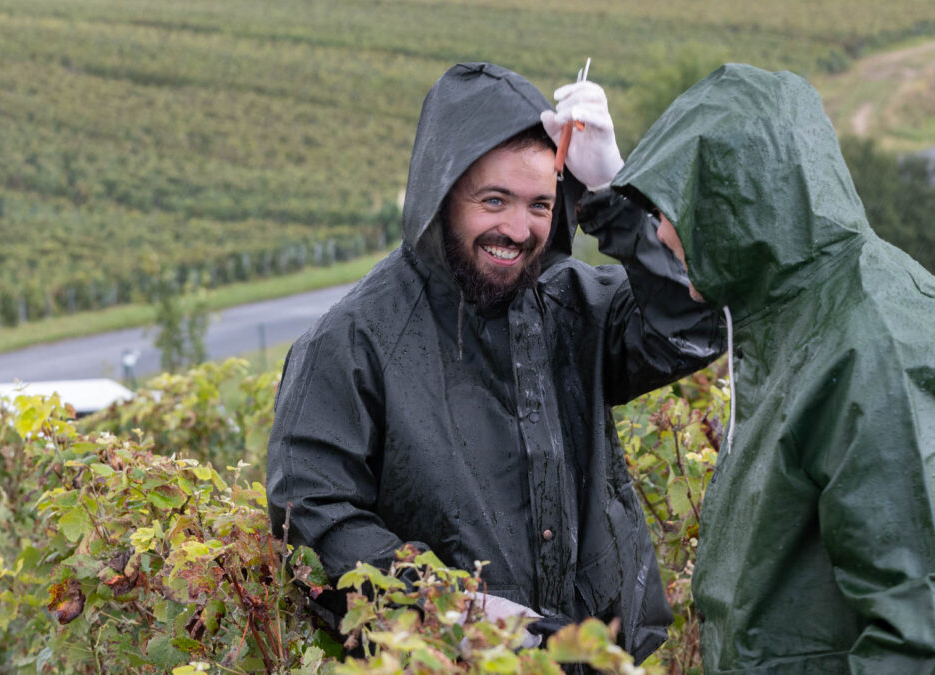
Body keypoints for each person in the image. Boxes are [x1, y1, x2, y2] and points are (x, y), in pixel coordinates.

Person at [266, 61, 722, 663]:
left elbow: (691, 322)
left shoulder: (573, 305)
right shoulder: (353, 341)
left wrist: (618, 194)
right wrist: (458, 612)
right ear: (441, 195)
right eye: (494, 200)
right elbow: (310, 517)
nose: (517, 228)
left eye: (540, 204)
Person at [610, 63, 935, 673]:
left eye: (676, 205)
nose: (660, 230)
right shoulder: (795, 313)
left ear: (737, 203)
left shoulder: (872, 345)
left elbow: (918, 630)